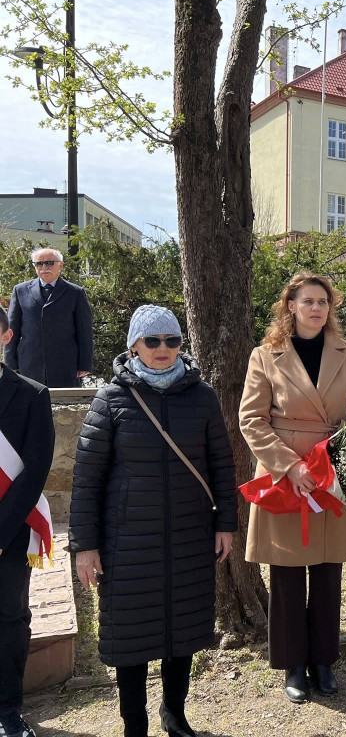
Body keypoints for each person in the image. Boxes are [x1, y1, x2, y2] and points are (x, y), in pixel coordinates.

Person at [70, 305, 237, 737]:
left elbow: (221, 465)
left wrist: (226, 524)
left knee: (182, 633)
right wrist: (84, 546)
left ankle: (175, 714)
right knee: (131, 641)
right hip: (128, 542)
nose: (163, 349)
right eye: (153, 341)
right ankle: (135, 724)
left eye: (172, 340)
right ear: (134, 345)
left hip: (189, 535)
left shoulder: (202, 397)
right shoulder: (112, 399)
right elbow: (86, 479)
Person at [239, 272, 346, 703]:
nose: (317, 308)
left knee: (329, 573)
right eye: (308, 301)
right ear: (290, 306)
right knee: (288, 575)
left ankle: (324, 661)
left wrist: (344, 458)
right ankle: (293, 666)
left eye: (323, 301)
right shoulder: (265, 355)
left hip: (332, 474)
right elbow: (251, 420)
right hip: (286, 478)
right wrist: (290, 466)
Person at [0, 305, 55, 737]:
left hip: (8, 532)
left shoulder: (33, 394)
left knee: (8, 619)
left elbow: (35, 468)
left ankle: (6, 710)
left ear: (6, 337)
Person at [4, 247, 94, 387]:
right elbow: (11, 330)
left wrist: (85, 364)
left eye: (49, 263)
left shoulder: (75, 293)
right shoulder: (20, 290)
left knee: (64, 406)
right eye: (39, 264)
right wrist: (10, 363)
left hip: (64, 366)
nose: (44, 267)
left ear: (61, 265)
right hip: (28, 365)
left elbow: (85, 331)